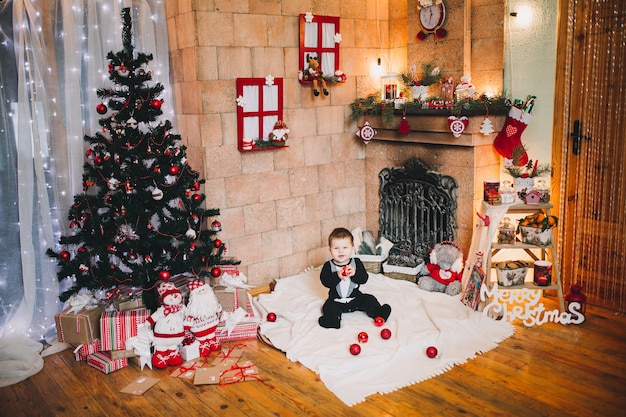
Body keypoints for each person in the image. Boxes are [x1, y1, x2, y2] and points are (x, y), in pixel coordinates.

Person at [318, 227, 391, 329]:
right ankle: (333, 320)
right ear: (330, 250)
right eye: (336, 248)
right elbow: (325, 281)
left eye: (345, 248)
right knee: (328, 306)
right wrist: (337, 276)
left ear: (352, 249)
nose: (340, 251)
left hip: (355, 299)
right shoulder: (328, 265)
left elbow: (364, 279)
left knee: (369, 299)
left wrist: (355, 273)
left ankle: (379, 314)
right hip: (336, 301)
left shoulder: (356, 263)